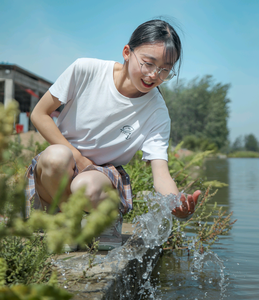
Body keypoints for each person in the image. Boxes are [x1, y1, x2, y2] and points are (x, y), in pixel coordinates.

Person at [25, 19, 201, 250]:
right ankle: (66, 221)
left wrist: (175, 202)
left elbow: (161, 172)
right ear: (127, 52)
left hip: (102, 178)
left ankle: (107, 218)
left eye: (165, 70)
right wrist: (78, 157)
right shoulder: (86, 70)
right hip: (61, 166)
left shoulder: (157, 111)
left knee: (85, 185)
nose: (153, 75)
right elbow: (39, 114)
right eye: (148, 63)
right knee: (55, 156)